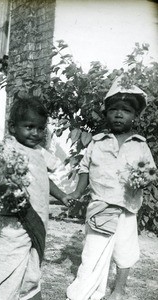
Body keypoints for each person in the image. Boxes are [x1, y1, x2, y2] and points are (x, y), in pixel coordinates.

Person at [66, 77, 156, 300]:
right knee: (92, 252)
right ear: (106, 113)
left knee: (124, 252)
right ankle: (85, 292)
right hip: (100, 205)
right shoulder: (97, 141)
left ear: (134, 116)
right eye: (113, 109)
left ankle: (118, 290)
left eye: (125, 110)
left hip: (127, 208)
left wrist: (143, 179)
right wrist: (77, 192)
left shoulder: (140, 144)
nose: (118, 114)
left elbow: (151, 172)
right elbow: (85, 168)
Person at [0, 96, 73, 300]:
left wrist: (62, 196)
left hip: (38, 221)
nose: (35, 133)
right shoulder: (7, 150)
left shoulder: (39, 152)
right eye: (29, 127)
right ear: (13, 127)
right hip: (12, 224)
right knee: (5, 265)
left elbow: (44, 178)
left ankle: (29, 294)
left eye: (40, 128)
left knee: (31, 269)